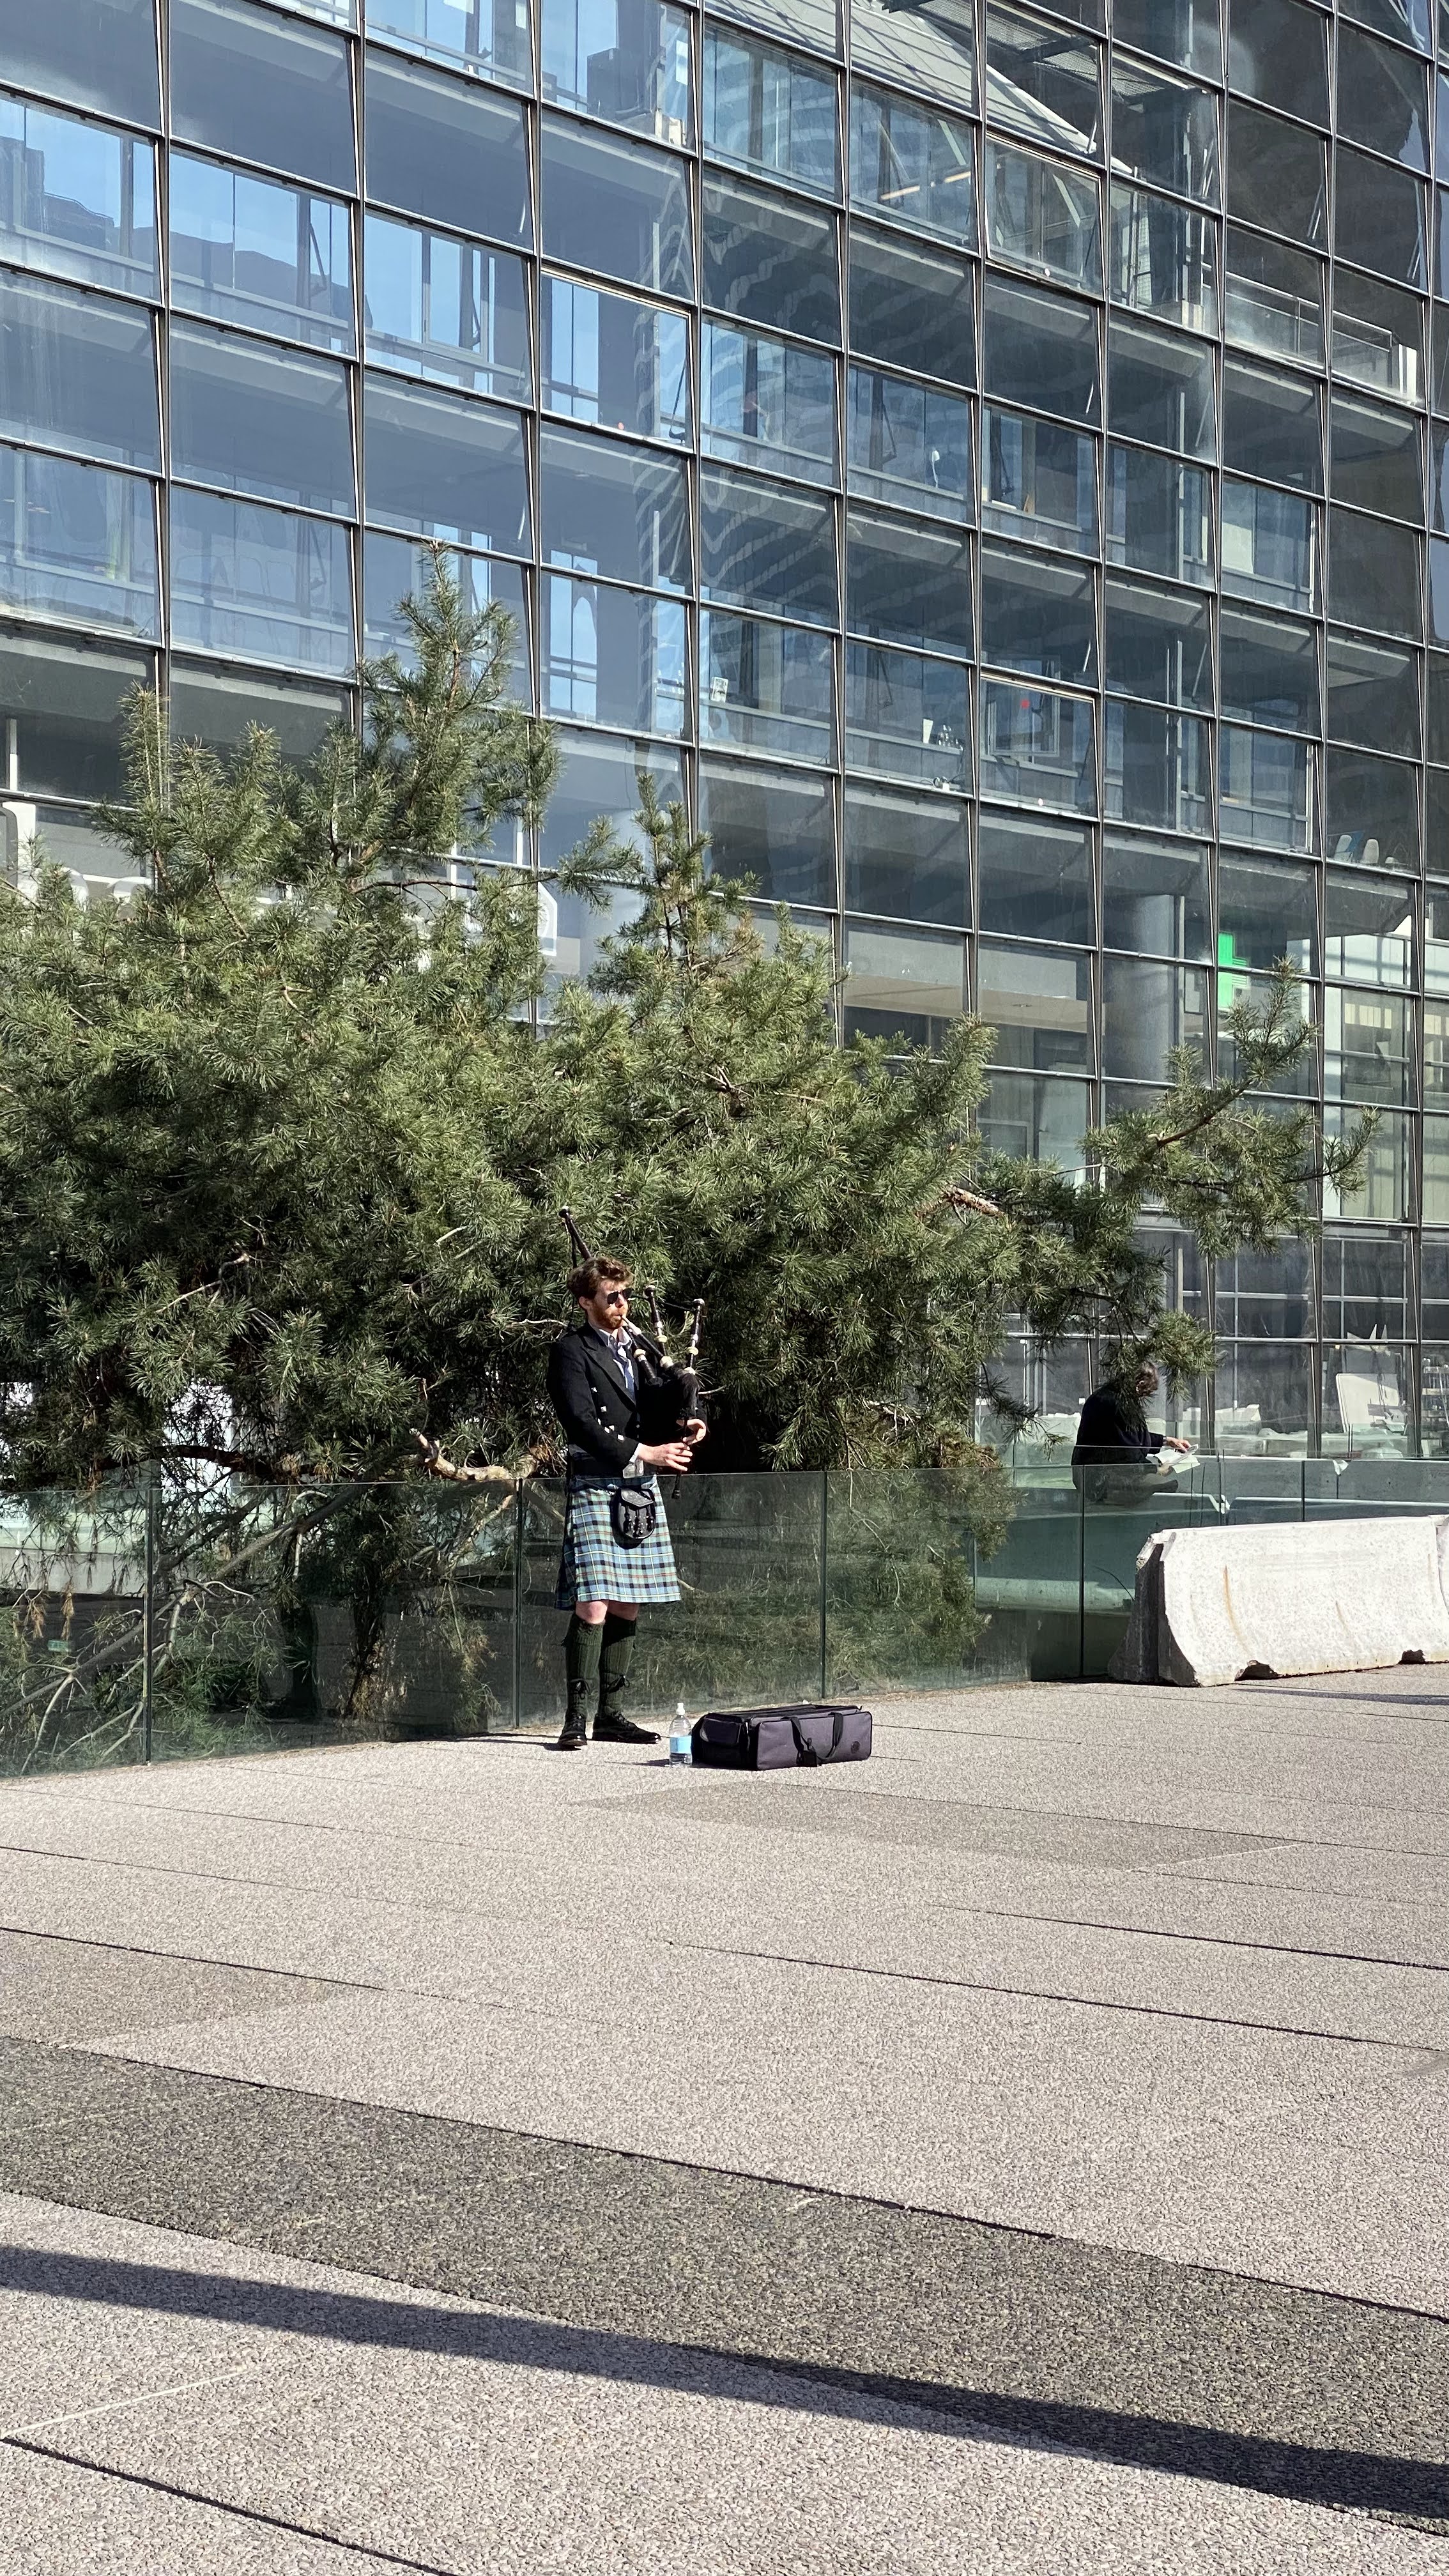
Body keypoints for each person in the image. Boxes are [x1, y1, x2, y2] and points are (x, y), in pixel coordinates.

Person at [546, 1255, 706, 1751]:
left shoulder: (639, 1348)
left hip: (638, 1486)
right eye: (611, 1297)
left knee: (628, 1600)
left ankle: (611, 1716)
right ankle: (575, 1718)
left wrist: (689, 1420)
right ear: (586, 1302)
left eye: (625, 1295)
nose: (622, 1304)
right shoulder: (570, 1351)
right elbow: (580, 1421)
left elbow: (660, 1401)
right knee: (593, 1601)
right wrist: (645, 1452)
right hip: (597, 1480)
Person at [1071, 1361, 1193, 1505]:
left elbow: (1130, 1437)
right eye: (1148, 1393)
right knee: (1176, 1489)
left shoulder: (1106, 1396)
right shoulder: (1119, 1404)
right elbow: (1129, 1454)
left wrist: (1167, 1441)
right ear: (1140, 1385)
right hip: (1101, 1483)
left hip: (1091, 1476)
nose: (1145, 1398)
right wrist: (1157, 1470)